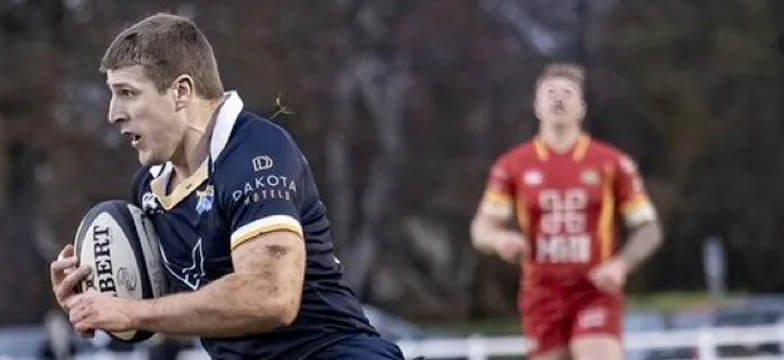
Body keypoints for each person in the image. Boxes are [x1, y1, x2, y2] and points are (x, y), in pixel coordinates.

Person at [49, 13, 405, 360]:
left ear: (181, 91)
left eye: (127, 92)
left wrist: (134, 313)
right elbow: (177, 306)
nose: (113, 113)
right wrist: (95, 299)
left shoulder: (255, 152)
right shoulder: (149, 188)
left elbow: (270, 297)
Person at [470, 63, 664, 360]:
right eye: (550, 92)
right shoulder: (513, 165)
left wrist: (621, 265)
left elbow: (649, 228)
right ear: (537, 106)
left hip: (594, 289)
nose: (558, 99)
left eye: (567, 93)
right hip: (542, 293)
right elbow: (481, 230)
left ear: (582, 107)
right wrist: (500, 241)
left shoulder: (611, 163)